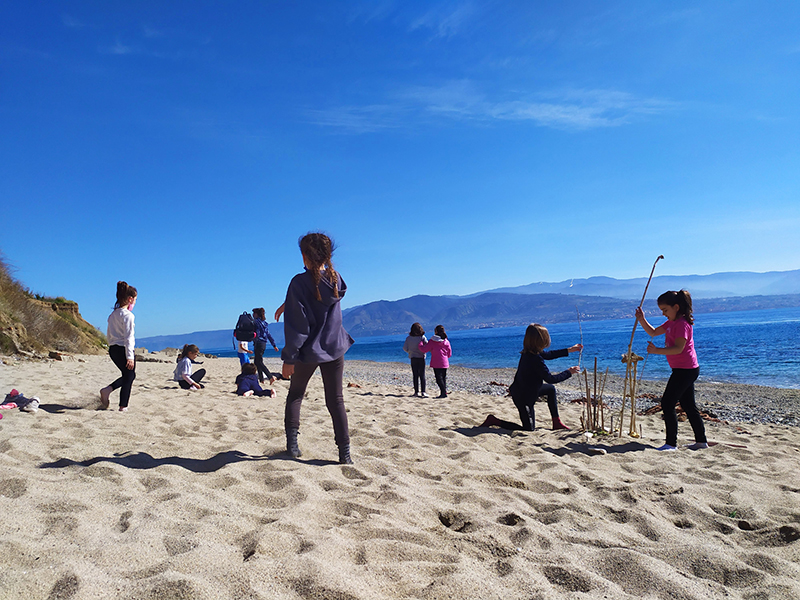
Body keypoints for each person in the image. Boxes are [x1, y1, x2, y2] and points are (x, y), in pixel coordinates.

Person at [281, 232, 355, 464]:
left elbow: (298, 327)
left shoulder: (298, 283)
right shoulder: (336, 279)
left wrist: (289, 358)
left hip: (308, 352)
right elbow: (320, 297)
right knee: (336, 400)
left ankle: (292, 447)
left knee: (295, 395)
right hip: (335, 348)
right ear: (328, 255)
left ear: (304, 256)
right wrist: (289, 301)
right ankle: (345, 454)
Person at [635, 290, 708, 451]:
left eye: (665, 310)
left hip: (686, 370)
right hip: (682, 369)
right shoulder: (671, 322)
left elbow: (678, 349)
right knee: (689, 406)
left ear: (676, 307)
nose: (663, 314)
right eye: (662, 311)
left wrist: (656, 350)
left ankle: (670, 443)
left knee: (667, 403)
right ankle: (701, 441)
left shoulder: (682, 324)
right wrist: (642, 319)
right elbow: (653, 332)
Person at [481, 324, 581, 431]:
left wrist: (570, 350)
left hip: (529, 391)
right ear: (541, 340)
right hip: (522, 397)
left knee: (550, 389)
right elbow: (550, 379)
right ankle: (494, 420)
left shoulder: (530, 352)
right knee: (528, 429)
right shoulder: (535, 359)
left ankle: (556, 422)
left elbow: (549, 355)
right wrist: (569, 372)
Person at [100, 281, 138, 412]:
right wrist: (130, 356)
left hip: (113, 349)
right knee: (129, 377)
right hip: (123, 349)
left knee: (129, 376)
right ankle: (123, 406)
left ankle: (107, 390)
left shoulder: (112, 315)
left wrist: (111, 346)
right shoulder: (128, 316)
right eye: (135, 300)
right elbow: (129, 337)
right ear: (130, 299)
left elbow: (109, 334)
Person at [419, 325, 451, 398]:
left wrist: (420, 344)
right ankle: (443, 392)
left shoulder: (432, 341)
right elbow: (449, 353)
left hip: (436, 362)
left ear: (436, 332)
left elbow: (424, 349)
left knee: (438, 379)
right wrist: (445, 357)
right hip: (444, 362)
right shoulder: (446, 341)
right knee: (443, 378)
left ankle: (443, 393)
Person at [252, 307, 279, 384]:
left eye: (254, 313)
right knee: (257, 361)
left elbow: (254, 332)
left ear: (257, 314)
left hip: (258, 343)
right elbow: (269, 335)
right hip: (263, 343)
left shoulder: (256, 322)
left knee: (259, 362)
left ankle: (270, 377)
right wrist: (274, 345)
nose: (253, 315)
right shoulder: (265, 323)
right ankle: (261, 380)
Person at [403, 322, 429, 397]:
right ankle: (423, 391)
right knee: (422, 375)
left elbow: (405, 348)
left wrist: (410, 351)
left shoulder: (408, 338)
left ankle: (416, 392)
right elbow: (427, 346)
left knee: (415, 375)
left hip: (413, 357)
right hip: (421, 357)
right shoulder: (422, 337)